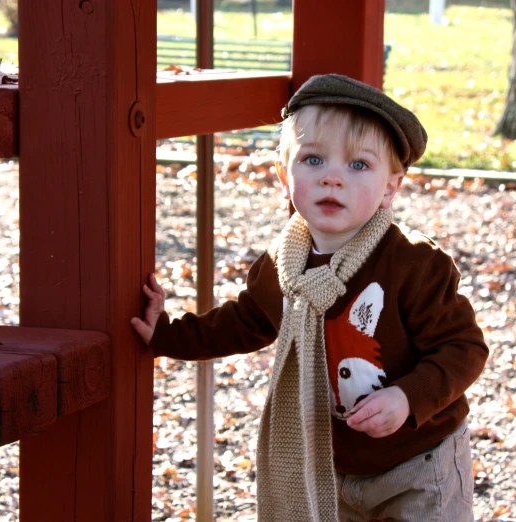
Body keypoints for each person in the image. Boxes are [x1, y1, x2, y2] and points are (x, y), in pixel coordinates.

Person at [132, 73, 489, 522]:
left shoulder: (415, 265)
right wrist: (164, 334)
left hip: (418, 462)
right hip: (330, 464)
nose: (333, 179)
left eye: (358, 165)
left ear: (390, 188)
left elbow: (465, 348)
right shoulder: (284, 265)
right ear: (285, 177)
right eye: (314, 160)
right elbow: (243, 322)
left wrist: (406, 397)